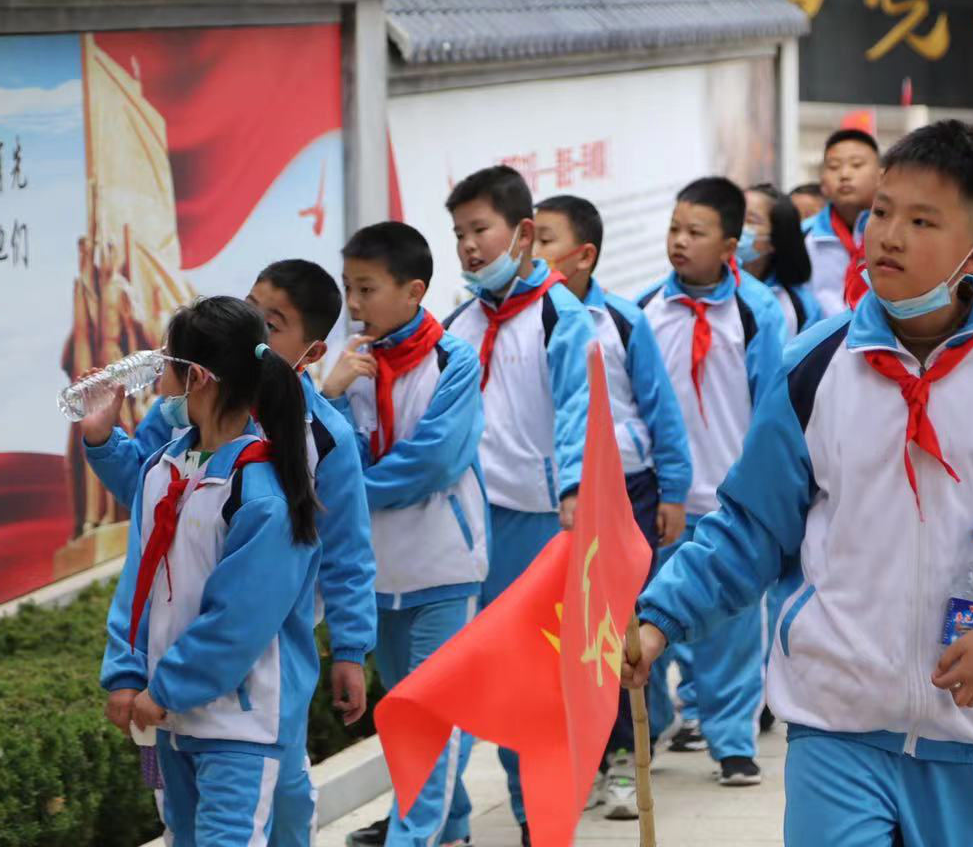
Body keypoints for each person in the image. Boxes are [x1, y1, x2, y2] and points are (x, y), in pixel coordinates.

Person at [625, 120, 973, 847]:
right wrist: (660, 617)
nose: (888, 235)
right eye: (883, 211)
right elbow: (751, 526)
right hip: (837, 721)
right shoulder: (814, 365)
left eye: (923, 221)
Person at [80, 260, 375, 847]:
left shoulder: (278, 480)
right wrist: (127, 674)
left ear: (200, 377)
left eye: (272, 323)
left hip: (247, 705)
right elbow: (142, 572)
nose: (157, 365)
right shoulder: (168, 458)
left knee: (281, 810)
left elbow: (266, 602)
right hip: (173, 713)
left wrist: (350, 647)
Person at [441, 165, 595, 838]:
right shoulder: (458, 320)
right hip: (461, 525)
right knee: (450, 674)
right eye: (459, 234)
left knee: (530, 682)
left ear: (523, 233)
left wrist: (571, 488)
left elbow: (577, 407)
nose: (469, 245)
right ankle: (439, 818)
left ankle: (540, 818)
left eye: (481, 230)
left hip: (536, 522)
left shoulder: (562, 311)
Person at [320, 223, 485, 847]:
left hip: (443, 564)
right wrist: (329, 395)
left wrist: (348, 491)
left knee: (432, 716)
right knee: (398, 713)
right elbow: (325, 453)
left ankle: (412, 836)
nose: (354, 303)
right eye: (348, 287)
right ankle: (454, 824)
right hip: (375, 571)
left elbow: (434, 462)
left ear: (414, 291)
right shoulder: (349, 365)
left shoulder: (454, 360)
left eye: (366, 288)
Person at [532, 193, 692, 818]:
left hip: (627, 493)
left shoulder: (623, 320)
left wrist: (673, 492)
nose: (531, 253)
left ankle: (627, 759)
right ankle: (584, 758)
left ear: (583, 255)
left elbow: (660, 411)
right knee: (565, 634)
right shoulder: (519, 323)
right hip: (557, 503)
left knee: (617, 627)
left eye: (544, 238)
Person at [636, 175, 787, 785]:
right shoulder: (646, 309)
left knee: (730, 624)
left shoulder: (756, 311)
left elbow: (774, 403)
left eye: (695, 232)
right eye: (674, 228)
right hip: (661, 498)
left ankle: (731, 739)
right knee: (649, 615)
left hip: (730, 496)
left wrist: (763, 490)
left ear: (732, 243)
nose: (679, 241)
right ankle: (647, 726)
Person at [804, 128, 880, 313]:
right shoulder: (802, 237)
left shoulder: (897, 234)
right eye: (834, 166)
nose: (844, 174)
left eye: (857, 164)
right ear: (822, 182)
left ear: (881, 176)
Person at [740, 182, 826, 341]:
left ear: (775, 237)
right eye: (734, 216)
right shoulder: (704, 283)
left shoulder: (800, 306)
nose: (737, 226)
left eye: (751, 220)